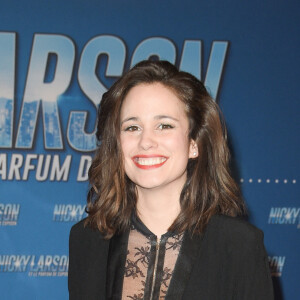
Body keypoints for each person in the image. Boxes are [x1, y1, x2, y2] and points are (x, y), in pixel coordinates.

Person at [68, 60, 274, 300]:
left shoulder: (238, 245)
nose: (146, 141)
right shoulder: (87, 239)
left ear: (194, 143)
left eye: (164, 126)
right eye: (132, 127)